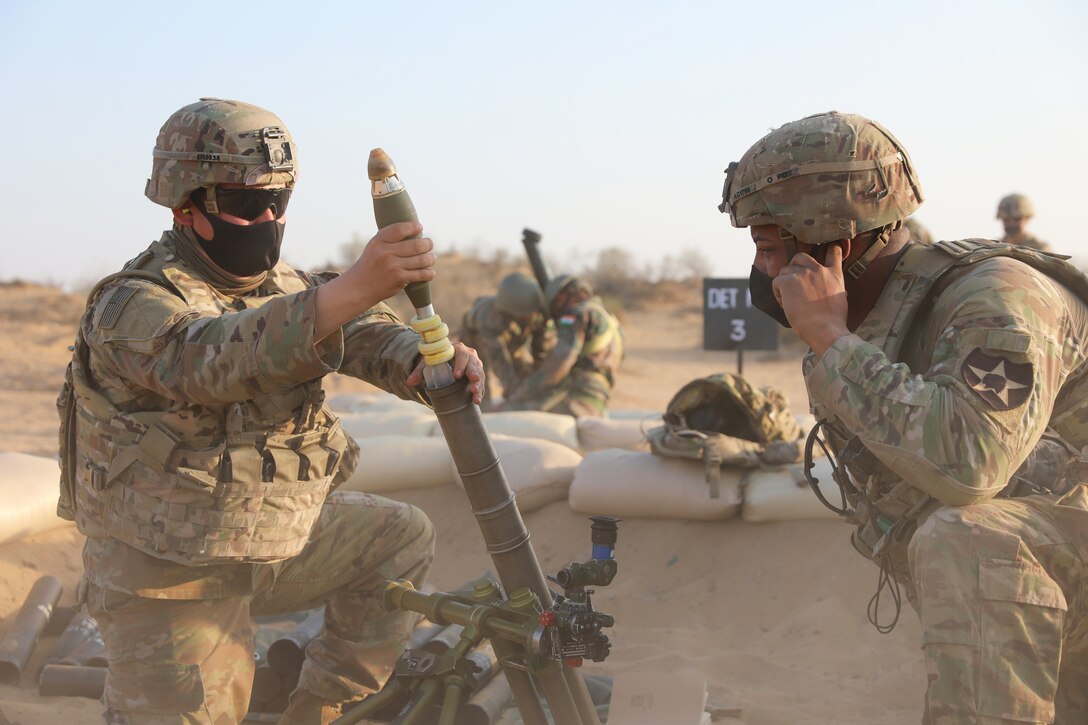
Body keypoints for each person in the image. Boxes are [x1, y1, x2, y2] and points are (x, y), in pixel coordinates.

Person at [57, 98, 484, 724]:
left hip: (266, 541)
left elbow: (363, 332)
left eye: (278, 202)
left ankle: (316, 711)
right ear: (185, 206)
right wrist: (354, 287)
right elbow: (207, 360)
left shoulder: (287, 287)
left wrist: (422, 362)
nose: (266, 217)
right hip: (168, 573)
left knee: (400, 535)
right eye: (243, 203)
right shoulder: (134, 303)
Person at [720, 111, 1087, 723]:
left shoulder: (996, 296)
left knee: (969, 539)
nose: (762, 272)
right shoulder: (890, 313)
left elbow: (966, 466)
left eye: (767, 246)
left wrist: (832, 340)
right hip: (1061, 578)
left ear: (833, 244)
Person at [500, 274, 623, 418]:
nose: (558, 313)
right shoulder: (610, 321)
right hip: (596, 403)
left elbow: (558, 364)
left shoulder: (576, 313)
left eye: (555, 306)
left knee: (507, 412)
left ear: (562, 296)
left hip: (572, 401)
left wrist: (519, 394)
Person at [458, 272, 555, 411]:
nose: (531, 317)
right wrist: (515, 395)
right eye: (525, 315)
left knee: (525, 373)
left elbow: (542, 352)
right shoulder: (490, 319)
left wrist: (538, 383)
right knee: (476, 380)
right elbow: (499, 361)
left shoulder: (539, 314)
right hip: (476, 339)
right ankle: (480, 411)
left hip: (513, 339)